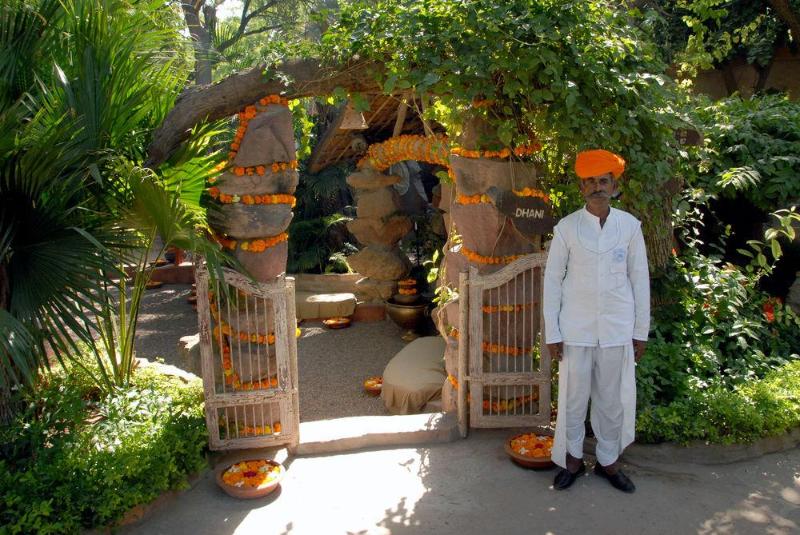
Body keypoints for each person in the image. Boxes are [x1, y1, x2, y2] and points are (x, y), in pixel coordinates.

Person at [542, 149, 650, 493]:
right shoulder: (567, 228)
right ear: (582, 186)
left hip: (618, 327)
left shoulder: (630, 227)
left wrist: (640, 331)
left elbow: (640, 279)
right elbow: (552, 281)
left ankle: (608, 461)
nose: (597, 187)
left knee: (611, 399)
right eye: (591, 181)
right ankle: (572, 459)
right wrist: (553, 332)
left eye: (604, 180)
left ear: (614, 185)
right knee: (573, 399)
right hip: (576, 329)